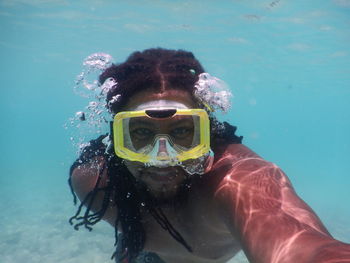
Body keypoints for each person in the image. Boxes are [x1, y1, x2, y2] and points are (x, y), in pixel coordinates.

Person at [68, 48, 350, 263]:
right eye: (141, 133)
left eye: (181, 132)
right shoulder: (93, 182)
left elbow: (304, 244)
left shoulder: (236, 181)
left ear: (208, 134)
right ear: (117, 138)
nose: (162, 157)